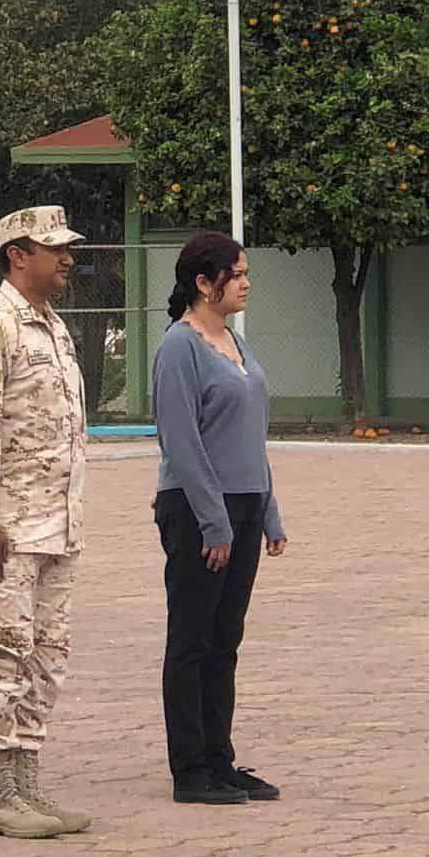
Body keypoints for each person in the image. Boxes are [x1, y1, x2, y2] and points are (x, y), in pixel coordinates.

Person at [0, 205, 91, 840]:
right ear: (16, 255)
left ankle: (27, 783)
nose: (65, 259)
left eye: (68, 249)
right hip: (4, 530)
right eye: (51, 248)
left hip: (55, 525)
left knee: (45, 659)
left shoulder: (53, 328)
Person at [151, 231, 289, 807]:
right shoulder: (180, 347)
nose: (246, 283)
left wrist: (268, 511)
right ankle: (190, 767)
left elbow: (250, 436)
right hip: (198, 507)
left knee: (224, 639)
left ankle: (220, 757)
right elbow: (181, 441)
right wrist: (214, 522)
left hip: (244, 503)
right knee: (192, 638)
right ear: (204, 283)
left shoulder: (234, 341)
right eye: (236, 274)